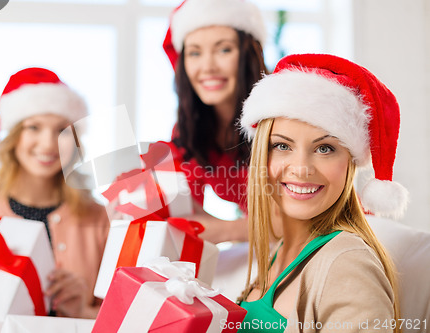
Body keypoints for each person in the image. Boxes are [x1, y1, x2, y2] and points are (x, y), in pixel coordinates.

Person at [237, 54, 408, 332]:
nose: (302, 169)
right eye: (282, 146)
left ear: (350, 163)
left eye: (325, 148)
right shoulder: (282, 251)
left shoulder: (348, 264)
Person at [0, 67, 109, 318]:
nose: (48, 143)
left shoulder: (102, 220)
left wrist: (83, 311)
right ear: (13, 138)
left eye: (61, 129)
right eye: (33, 127)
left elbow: (128, 321)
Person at [161, 0, 270, 243]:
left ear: (249, 54)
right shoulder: (190, 130)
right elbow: (185, 211)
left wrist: (223, 230)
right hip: (268, 247)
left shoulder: (281, 114)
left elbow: (309, 216)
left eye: (224, 50)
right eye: (195, 53)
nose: (207, 67)